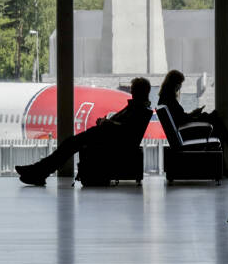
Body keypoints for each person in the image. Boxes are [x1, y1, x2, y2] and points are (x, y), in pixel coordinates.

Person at [15, 77, 154, 185]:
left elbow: (125, 130)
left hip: (107, 139)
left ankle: (39, 171)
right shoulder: (139, 108)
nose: (131, 92)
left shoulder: (138, 109)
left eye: (133, 89)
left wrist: (106, 123)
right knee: (70, 143)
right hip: (106, 136)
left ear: (138, 91)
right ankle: (39, 170)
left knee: (70, 144)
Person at [157, 69, 228, 158]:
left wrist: (193, 114)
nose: (180, 86)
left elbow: (179, 118)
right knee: (215, 120)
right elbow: (182, 119)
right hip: (187, 131)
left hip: (185, 129)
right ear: (174, 83)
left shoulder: (165, 98)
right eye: (179, 83)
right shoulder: (169, 99)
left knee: (216, 124)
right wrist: (194, 114)